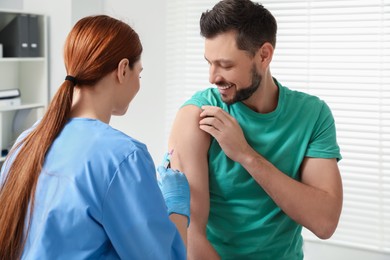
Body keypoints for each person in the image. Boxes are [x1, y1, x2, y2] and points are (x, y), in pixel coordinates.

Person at [0, 15, 190, 260]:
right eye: (138, 74)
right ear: (123, 70)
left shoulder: (26, 141)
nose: (138, 84)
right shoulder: (123, 157)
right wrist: (177, 206)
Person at [167, 0, 343, 259]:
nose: (213, 77)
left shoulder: (313, 114)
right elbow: (191, 236)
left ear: (264, 55)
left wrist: (246, 155)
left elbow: (324, 222)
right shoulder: (197, 117)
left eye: (226, 65)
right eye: (209, 62)